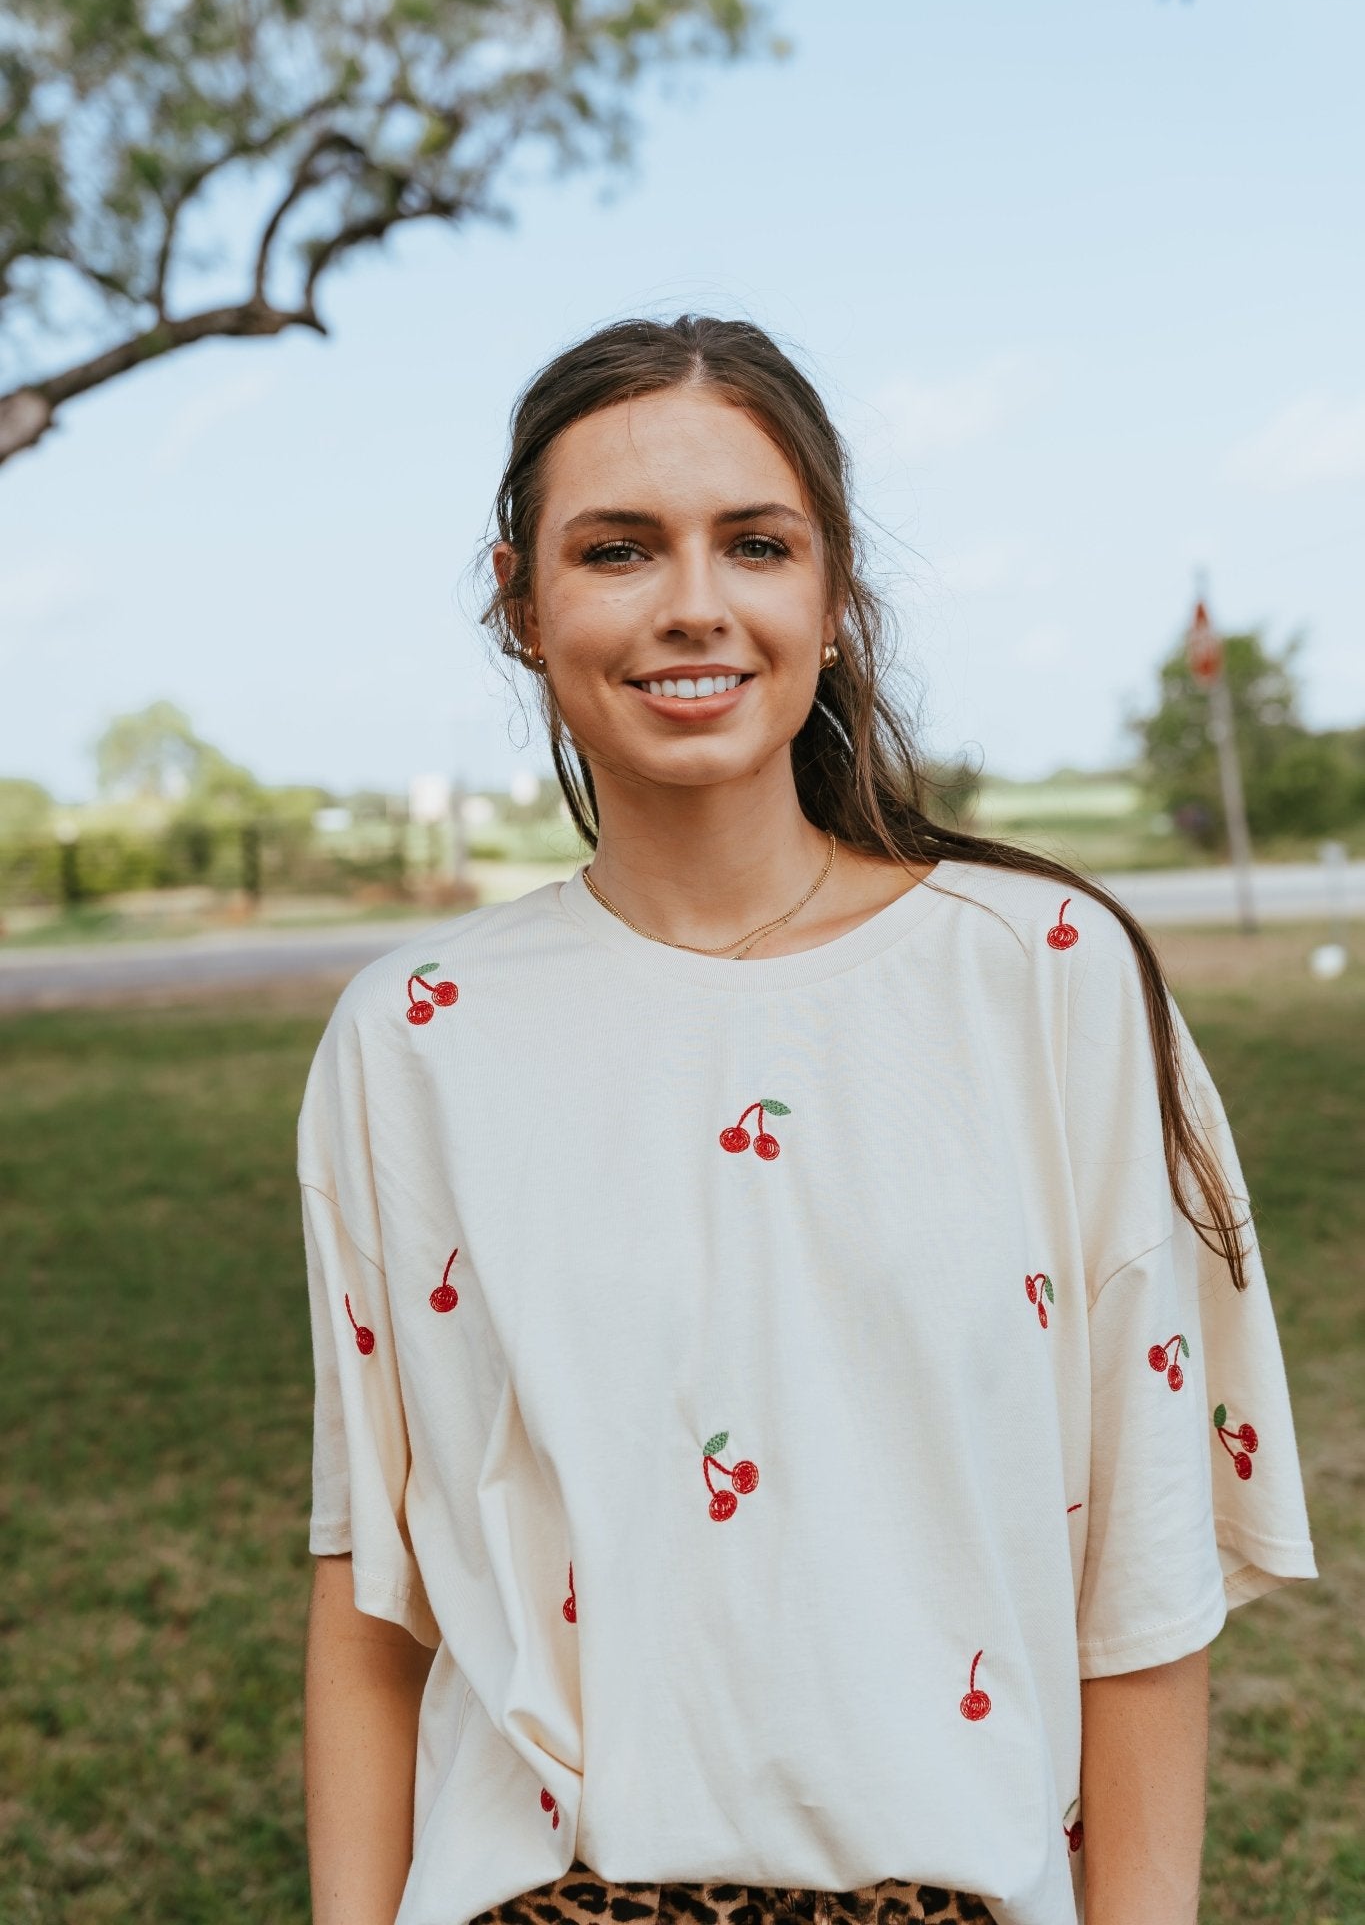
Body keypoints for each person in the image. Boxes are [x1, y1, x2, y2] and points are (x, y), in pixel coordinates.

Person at [299, 316, 1316, 1925]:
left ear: (829, 597)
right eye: (616, 550)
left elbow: (1141, 1578)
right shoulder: (412, 1041)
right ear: (522, 603)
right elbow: (375, 1599)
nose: (691, 603)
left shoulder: (1046, 984)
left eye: (753, 544)